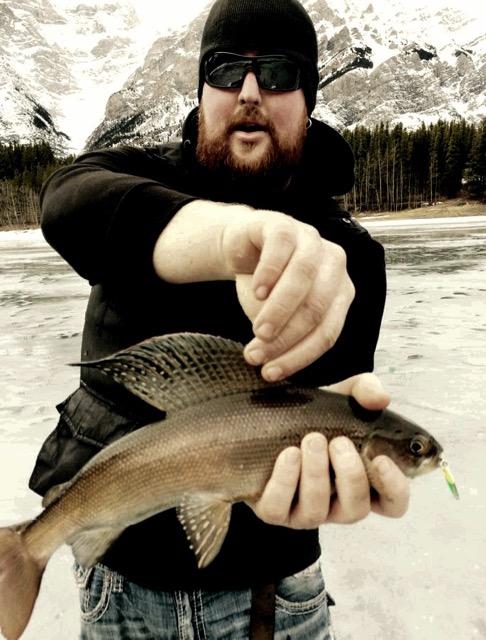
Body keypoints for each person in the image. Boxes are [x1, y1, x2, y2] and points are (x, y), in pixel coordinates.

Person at [29, 0, 410, 638]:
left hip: (278, 600)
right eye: (228, 71)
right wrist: (232, 236)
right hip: (122, 595)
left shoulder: (353, 261)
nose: (251, 92)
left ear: (309, 100)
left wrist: (343, 476)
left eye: (281, 73)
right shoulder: (126, 175)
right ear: (204, 91)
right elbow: (66, 204)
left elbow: (334, 406)